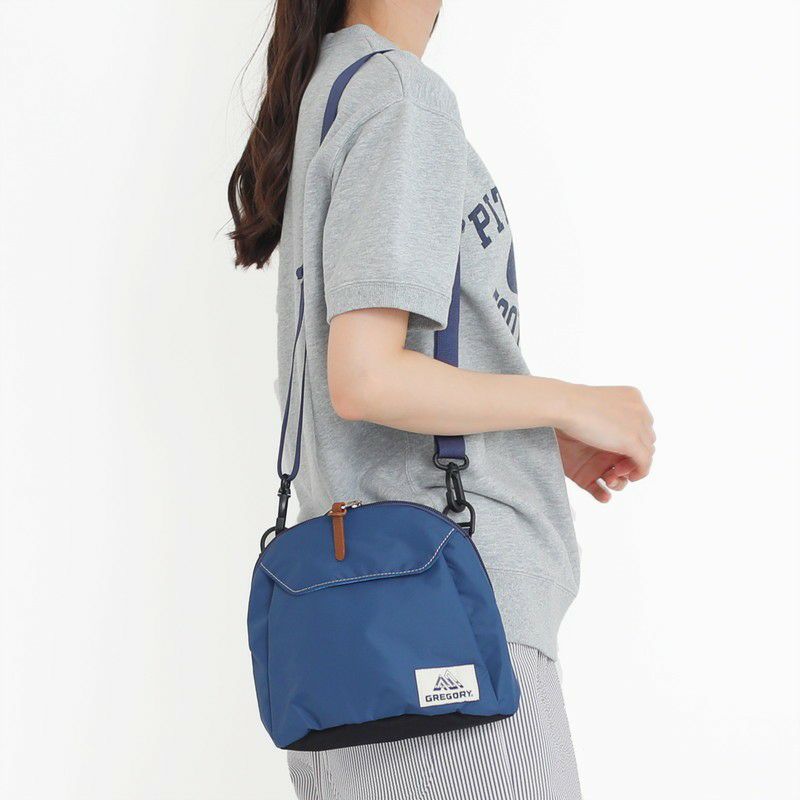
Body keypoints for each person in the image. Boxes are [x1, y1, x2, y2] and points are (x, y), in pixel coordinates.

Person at [228, 1, 655, 798]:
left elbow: (358, 383)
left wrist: (528, 432)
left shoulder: (333, 89)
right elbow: (367, 379)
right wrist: (570, 402)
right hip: (448, 625)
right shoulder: (399, 95)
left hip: (354, 639)